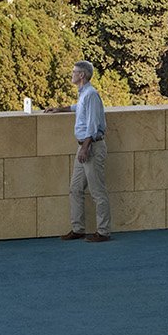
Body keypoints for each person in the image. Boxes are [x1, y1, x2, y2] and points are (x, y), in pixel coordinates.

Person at [61, 60, 111, 243]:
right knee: (75, 188)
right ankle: (78, 229)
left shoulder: (91, 95)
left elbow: (93, 123)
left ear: (82, 75)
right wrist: (60, 109)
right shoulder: (83, 94)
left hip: (91, 147)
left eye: (74, 72)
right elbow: (78, 109)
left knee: (97, 190)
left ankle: (103, 231)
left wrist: (85, 147)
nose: (72, 74)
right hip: (84, 146)